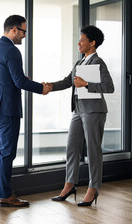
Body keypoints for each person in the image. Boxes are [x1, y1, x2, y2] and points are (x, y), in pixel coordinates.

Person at [0, 15, 51, 207]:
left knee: (4, 151)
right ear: (14, 29)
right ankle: (5, 195)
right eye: (24, 31)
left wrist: (20, 79)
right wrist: (40, 88)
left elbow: (7, 77)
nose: (25, 36)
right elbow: (19, 82)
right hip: (7, 109)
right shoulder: (11, 51)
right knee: (8, 152)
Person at [48, 25, 114, 206]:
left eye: (82, 40)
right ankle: (69, 185)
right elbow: (67, 82)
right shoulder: (79, 63)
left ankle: (93, 189)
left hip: (94, 111)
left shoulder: (98, 62)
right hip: (78, 110)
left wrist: (86, 84)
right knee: (71, 148)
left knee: (93, 151)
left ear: (92, 43)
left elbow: (109, 87)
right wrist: (47, 86)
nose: (79, 43)